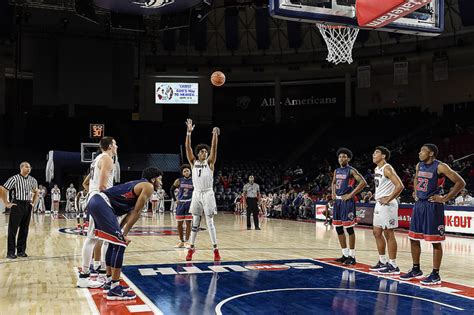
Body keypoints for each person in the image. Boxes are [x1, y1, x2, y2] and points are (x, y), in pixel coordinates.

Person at [87, 167, 162, 300]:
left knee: (114, 242)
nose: (161, 183)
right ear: (153, 179)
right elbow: (137, 212)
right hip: (101, 203)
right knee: (120, 243)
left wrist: (121, 231)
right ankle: (115, 289)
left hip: (96, 202)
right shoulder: (148, 186)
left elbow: (130, 213)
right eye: (160, 179)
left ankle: (110, 281)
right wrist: (123, 234)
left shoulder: (139, 184)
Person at [400, 144, 465, 285]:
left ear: (431, 153)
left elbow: (461, 182)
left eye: (422, 151)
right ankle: (416, 269)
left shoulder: (440, 166)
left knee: (435, 241)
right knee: (413, 238)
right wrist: (416, 191)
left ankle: (435, 274)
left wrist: (445, 198)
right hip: (419, 205)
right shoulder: (419, 165)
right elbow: (416, 178)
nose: (419, 153)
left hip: (433, 206)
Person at [77, 136, 117, 288]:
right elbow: (102, 186)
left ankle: (99, 272)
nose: (117, 147)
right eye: (115, 144)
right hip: (100, 198)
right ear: (109, 146)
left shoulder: (96, 159)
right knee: (99, 238)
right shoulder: (107, 158)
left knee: (99, 238)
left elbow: (90, 183)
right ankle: (86, 275)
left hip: (94, 198)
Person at [184, 118, 221, 261]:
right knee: (195, 221)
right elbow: (187, 148)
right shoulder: (193, 162)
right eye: (202, 151)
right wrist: (188, 133)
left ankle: (215, 249)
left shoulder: (210, 163)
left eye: (206, 151)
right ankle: (191, 248)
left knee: (210, 222)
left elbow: (215, 149)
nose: (204, 153)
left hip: (208, 193)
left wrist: (214, 135)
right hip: (197, 193)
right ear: (198, 153)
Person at [369, 146, 404, 274]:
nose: (373, 154)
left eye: (376, 152)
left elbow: (400, 185)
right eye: (373, 152)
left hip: (388, 205)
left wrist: (388, 198)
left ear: (383, 156)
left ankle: (393, 265)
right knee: (376, 233)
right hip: (379, 203)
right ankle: (382, 261)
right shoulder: (376, 168)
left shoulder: (387, 168)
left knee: (389, 234)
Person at [332, 148, 367, 265]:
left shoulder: (351, 170)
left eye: (344, 156)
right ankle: (345, 254)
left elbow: (363, 182)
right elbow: (333, 183)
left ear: (348, 158)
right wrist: (332, 193)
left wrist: (351, 194)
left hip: (347, 202)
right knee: (338, 228)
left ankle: (352, 256)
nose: (342, 158)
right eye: (340, 157)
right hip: (337, 202)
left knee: (349, 229)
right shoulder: (336, 171)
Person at [0, 162, 39, 259]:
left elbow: (36, 191)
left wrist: (33, 203)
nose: (29, 168)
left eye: (30, 167)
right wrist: (6, 203)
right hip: (17, 204)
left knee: (24, 229)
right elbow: (3, 189)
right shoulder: (14, 178)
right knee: (13, 230)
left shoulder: (33, 180)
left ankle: (21, 251)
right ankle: (10, 252)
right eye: (27, 167)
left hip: (27, 204)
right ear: (21, 168)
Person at [170, 164, 194, 248]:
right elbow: (171, 189)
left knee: (188, 223)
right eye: (184, 171)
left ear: (190, 171)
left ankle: (187, 241)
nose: (186, 172)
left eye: (187, 170)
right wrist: (175, 199)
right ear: (182, 173)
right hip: (181, 203)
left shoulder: (194, 180)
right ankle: (181, 241)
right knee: (179, 224)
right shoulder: (179, 180)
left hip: (189, 203)